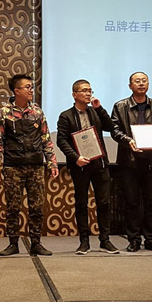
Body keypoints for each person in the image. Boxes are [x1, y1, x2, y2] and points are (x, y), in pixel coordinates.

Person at [0, 74, 59, 256]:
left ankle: (36, 242)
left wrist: (52, 163)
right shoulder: (4, 113)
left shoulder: (37, 112)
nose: (31, 90)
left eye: (31, 87)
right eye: (27, 87)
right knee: (13, 207)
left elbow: (46, 139)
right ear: (17, 91)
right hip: (13, 167)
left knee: (37, 207)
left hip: (36, 166)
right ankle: (13, 243)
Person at [56, 80, 118, 254]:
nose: (88, 93)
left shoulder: (95, 111)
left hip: (100, 164)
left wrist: (100, 108)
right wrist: (75, 158)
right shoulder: (66, 116)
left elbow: (111, 127)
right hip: (80, 165)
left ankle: (105, 240)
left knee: (104, 203)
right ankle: (84, 241)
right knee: (81, 203)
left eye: (90, 90)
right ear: (74, 94)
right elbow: (61, 140)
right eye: (84, 90)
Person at [110, 72, 152, 253]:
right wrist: (128, 141)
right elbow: (114, 129)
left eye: (144, 81)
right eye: (137, 81)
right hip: (129, 161)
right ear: (130, 86)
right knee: (131, 202)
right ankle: (133, 239)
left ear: (148, 84)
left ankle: (150, 239)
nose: (141, 84)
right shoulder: (120, 106)